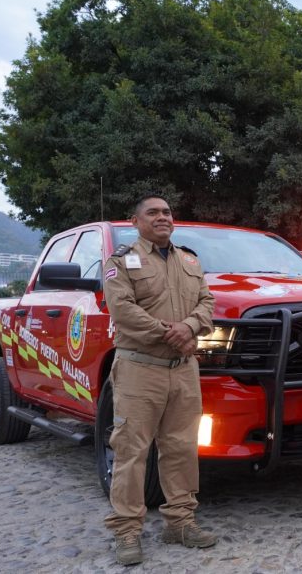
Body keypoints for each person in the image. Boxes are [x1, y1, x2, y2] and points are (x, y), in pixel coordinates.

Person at [103, 195, 217, 565]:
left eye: (167, 211)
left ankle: (180, 523)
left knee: (182, 448)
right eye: (153, 212)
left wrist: (190, 326)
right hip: (140, 367)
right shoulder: (120, 262)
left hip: (184, 370)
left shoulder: (190, 260)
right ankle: (126, 532)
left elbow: (207, 302)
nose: (162, 217)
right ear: (134, 221)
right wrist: (167, 331)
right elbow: (122, 310)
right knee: (131, 452)